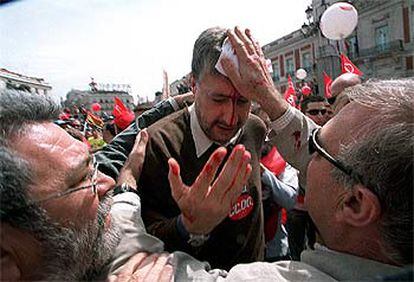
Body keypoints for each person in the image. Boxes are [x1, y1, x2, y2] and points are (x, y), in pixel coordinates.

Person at [0, 89, 251, 281]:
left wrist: (130, 172)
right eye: (81, 180)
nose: (107, 182)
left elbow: (124, 190)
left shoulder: (114, 236)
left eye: (94, 168)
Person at [134, 27, 267, 269]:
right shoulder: (159, 145)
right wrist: (189, 227)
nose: (231, 118)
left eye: (243, 101)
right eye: (218, 99)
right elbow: (142, 243)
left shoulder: (254, 128)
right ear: (193, 85)